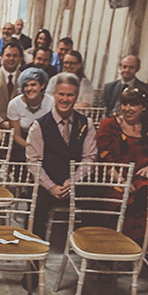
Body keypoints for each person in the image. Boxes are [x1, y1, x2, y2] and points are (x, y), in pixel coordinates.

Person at [25, 72, 97, 240]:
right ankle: (35, 255)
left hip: (75, 182)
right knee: (36, 205)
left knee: (96, 201)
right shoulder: (39, 125)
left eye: (70, 95)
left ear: (76, 96)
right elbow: (33, 162)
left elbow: (90, 157)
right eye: (61, 94)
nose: (65, 99)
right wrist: (51, 186)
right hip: (47, 182)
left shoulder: (86, 124)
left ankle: (88, 248)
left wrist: (74, 180)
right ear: (54, 95)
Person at [96, 87, 148, 242]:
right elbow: (103, 158)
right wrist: (122, 181)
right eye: (124, 104)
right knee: (123, 199)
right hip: (116, 180)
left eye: (133, 105)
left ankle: (145, 250)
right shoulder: (109, 125)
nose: (127, 109)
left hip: (145, 183)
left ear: (144, 107)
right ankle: (116, 247)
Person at [6, 67, 54, 162]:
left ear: (42, 85)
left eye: (33, 85)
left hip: (47, 142)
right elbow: (16, 136)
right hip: (22, 144)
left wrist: (43, 148)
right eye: (26, 85)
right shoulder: (14, 104)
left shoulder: (51, 102)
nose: (29, 89)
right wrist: (32, 147)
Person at [0, 41, 23, 128]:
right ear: (2, 57)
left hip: (19, 128)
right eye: (8, 55)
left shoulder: (25, 80)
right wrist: (0, 122)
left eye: (15, 56)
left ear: (20, 58)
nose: (11, 59)